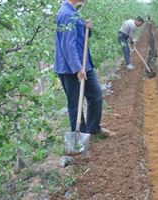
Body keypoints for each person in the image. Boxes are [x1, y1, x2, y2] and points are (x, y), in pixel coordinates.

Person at [54, 0, 104, 136]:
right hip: (70, 68)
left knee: (96, 95)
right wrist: (77, 68)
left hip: (84, 64)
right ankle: (79, 137)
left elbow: (80, 38)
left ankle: (93, 130)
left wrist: (86, 28)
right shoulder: (66, 14)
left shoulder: (74, 13)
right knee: (76, 104)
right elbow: (68, 45)